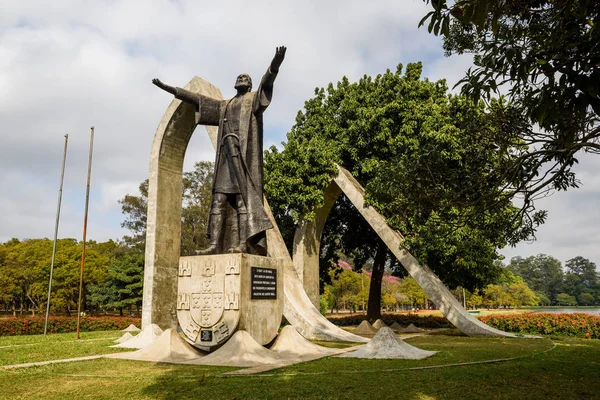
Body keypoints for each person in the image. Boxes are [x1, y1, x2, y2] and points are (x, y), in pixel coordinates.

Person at [152, 46, 286, 256]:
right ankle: (214, 245)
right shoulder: (224, 105)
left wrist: (274, 66)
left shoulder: (252, 101)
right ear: (235, 83)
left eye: (246, 78)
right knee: (218, 200)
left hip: (242, 159)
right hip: (225, 160)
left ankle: (243, 243)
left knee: (243, 200)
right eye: (239, 77)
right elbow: (197, 99)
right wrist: (171, 89)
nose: (242, 78)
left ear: (249, 85)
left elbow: (265, 85)